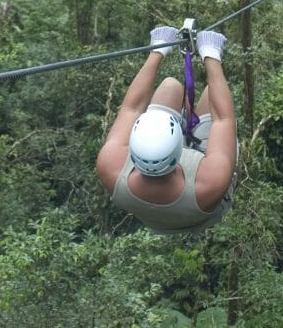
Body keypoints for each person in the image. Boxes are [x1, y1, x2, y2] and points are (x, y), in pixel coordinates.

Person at [96, 26, 238, 234]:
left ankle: (188, 119)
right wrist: (211, 55)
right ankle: (194, 126)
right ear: (178, 148)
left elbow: (131, 109)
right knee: (211, 95)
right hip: (197, 191)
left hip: (160, 209)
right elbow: (223, 119)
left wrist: (157, 51)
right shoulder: (210, 182)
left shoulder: (111, 166)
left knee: (170, 86)